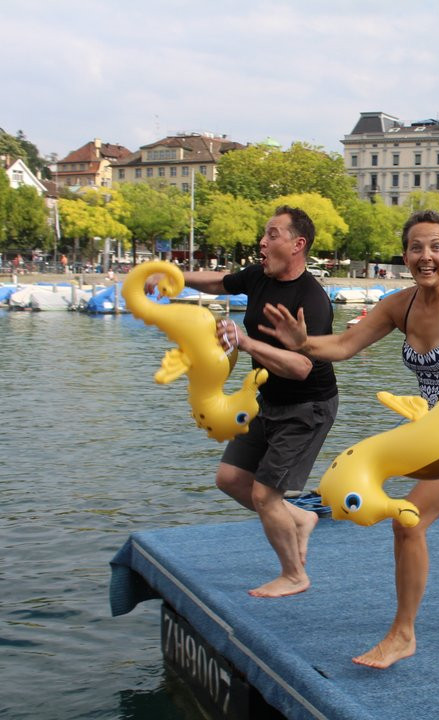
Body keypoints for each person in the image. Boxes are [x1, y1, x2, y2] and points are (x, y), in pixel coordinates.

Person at [259, 209, 439, 669]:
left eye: (436, 246)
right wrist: (302, 344)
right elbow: (342, 346)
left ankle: (402, 634)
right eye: (416, 247)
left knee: (409, 522)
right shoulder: (400, 305)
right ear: (405, 256)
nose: (426, 255)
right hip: (433, 437)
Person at [146, 205, 339, 596]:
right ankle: (300, 519)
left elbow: (302, 367)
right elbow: (221, 283)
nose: (262, 242)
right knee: (231, 479)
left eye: (272, 235)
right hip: (266, 397)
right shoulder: (260, 276)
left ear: (297, 244)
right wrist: (175, 277)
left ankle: (294, 575)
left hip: (308, 407)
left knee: (264, 494)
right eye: (264, 235)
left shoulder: (311, 301)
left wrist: (245, 340)